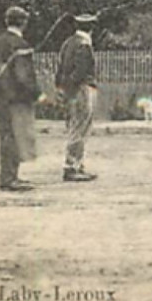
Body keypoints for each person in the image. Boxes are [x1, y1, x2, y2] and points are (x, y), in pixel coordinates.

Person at [0, 6, 39, 192]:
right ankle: (9, 178)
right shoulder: (20, 45)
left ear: (7, 21)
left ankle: (8, 176)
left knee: (6, 136)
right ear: (24, 22)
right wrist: (37, 93)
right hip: (16, 99)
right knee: (14, 137)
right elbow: (23, 76)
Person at [56, 13, 99, 182]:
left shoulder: (67, 43)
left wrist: (62, 88)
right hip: (82, 89)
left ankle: (76, 164)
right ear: (92, 28)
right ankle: (72, 166)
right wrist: (74, 87)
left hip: (70, 90)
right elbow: (81, 72)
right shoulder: (84, 44)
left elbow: (60, 69)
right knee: (80, 127)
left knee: (75, 125)